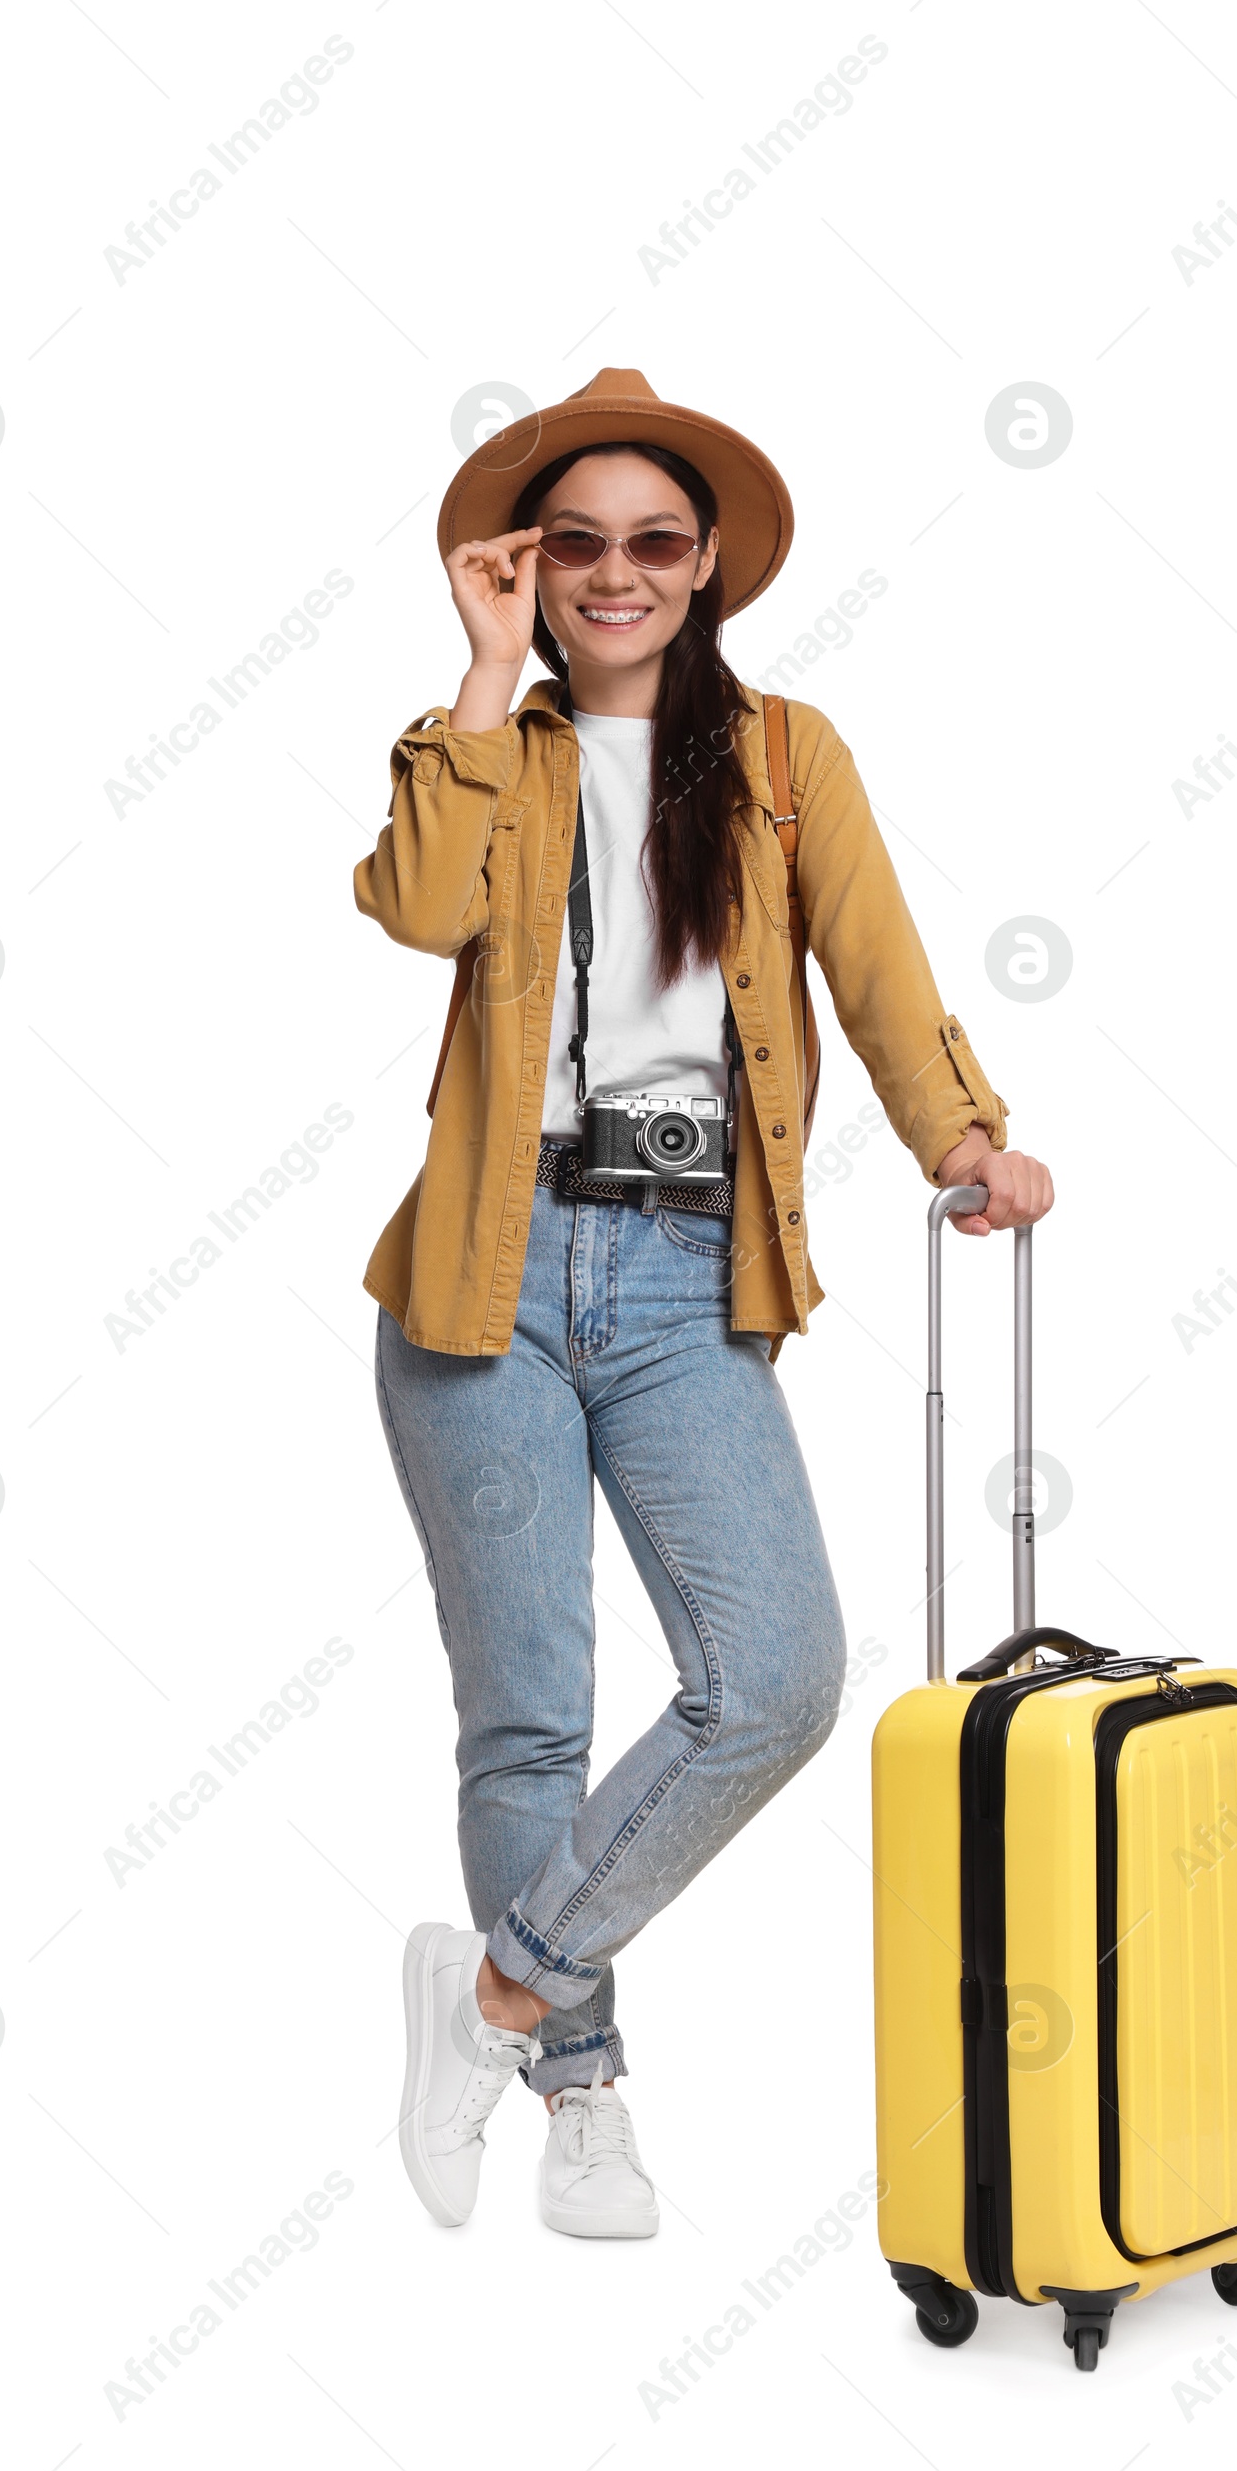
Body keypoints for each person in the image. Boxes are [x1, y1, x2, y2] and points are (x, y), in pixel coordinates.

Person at [356, 368, 1053, 2241]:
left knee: (776, 1680)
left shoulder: (785, 754)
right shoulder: (483, 746)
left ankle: (493, 1999)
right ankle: (582, 2089)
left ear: (708, 561)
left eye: (652, 541)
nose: (612, 571)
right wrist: (482, 670)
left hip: (683, 1277)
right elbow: (416, 908)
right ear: (524, 562)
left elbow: (882, 968)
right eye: (569, 543)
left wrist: (964, 1134)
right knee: (531, 1718)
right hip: (480, 1281)